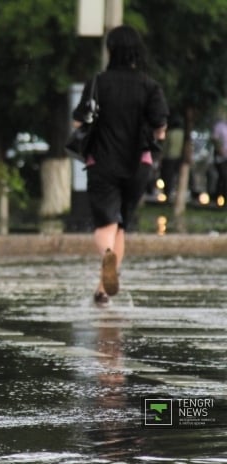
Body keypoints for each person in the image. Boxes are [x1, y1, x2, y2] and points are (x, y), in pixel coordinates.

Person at [72, 25, 168, 306]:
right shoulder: (150, 85)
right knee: (122, 223)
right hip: (138, 163)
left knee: (106, 222)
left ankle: (107, 259)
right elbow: (160, 125)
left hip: (101, 162)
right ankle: (103, 288)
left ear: (111, 50)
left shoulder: (98, 83)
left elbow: (80, 121)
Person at [159, 117, 184, 203]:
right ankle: (176, 195)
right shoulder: (183, 134)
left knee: (168, 177)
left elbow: (165, 147)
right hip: (179, 158)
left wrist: (161, 158)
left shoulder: (170, 133)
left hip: (169, 158)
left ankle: (167, 195)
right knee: (176, 177)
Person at [211, 110, 227, 204]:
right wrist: (219, 149)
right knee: (223, 176)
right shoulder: (219, 126)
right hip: (221, 157)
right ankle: (219, 198)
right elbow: (214, 139)